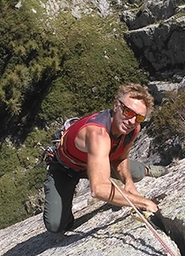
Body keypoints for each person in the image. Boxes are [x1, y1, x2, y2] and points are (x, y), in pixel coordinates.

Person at [43, 83, 165, 234]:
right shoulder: (98, 134)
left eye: (139, 117)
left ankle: (145, 170)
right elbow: (99, 189)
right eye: (128, 112)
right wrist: (144, 203)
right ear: (116, 106)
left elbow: (120, 158)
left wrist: (128, 183)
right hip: (66, 168)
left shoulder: (132, 129)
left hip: (98, 160)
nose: (132, 121)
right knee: (57, 225)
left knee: (136, 175)